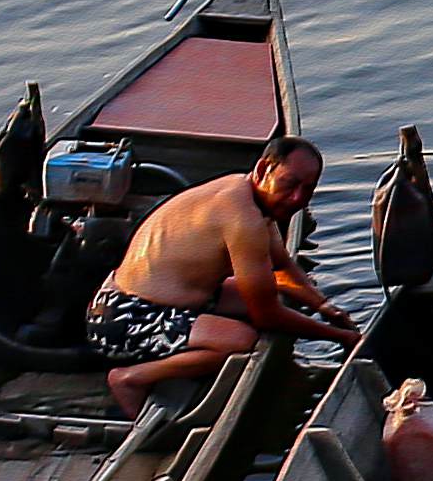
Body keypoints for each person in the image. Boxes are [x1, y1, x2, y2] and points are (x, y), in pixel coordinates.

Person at [90, 132, 358, 416]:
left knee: (278, 291)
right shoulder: (243, 219)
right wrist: (339, 337)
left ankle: (193, 348)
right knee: (241, 340)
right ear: (264, 168)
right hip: (122, 317)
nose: (297, 199)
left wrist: (324, 306)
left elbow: (281, 268)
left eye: (308, 190)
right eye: (290, 184)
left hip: (170, 297)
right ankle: (131, 378)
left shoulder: (244, 192)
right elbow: (265, 315)